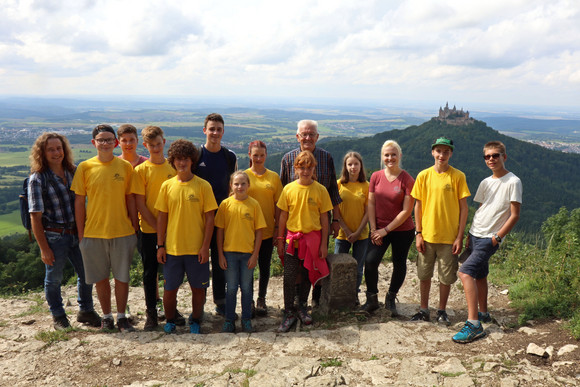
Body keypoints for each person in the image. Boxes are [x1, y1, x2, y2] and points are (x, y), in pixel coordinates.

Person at [28, 133, 101, 330]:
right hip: (54, 235)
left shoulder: (73, 171)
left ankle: (86, 310)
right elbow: (35, 216)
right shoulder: (37, 179)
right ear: (42, 153)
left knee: (87, 273)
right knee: (54, 279)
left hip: (76, 232)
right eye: (50, 149)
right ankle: (58, 316)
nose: (56, 153)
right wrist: (44, 248)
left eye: (59, 148)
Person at [71, 124, 139, 332]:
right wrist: (82, 234)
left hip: (122, 231)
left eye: (109, 139)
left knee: (122, 278)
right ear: (94, 143)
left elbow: (130, 200)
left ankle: (121, 317)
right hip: (93, 233)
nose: (105, 143)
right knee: (100, 278)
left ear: (115, 143)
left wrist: (135, 229)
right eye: (101, 140)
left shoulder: (125, 167)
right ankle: (107, 317)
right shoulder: (85, 167)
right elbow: (79, 203)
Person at [453, 141, 521, 343]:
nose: (491, 159)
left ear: (504, 157)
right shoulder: (485, 182)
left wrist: (498, 237)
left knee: (465, 272)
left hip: (490, 237)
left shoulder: (513, 181)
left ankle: (474, 324)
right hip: (475, 233)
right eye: (487, 156)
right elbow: (482, 208)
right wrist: (469, 233)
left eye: (495, 155)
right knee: (480, 275)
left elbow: (515, 215)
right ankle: (483, 313)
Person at [155, 140, 217, 334]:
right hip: (172, 249)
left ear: (192, 161)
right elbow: (161, 218)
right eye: (178, 159)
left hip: (196, 249)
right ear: (173, 161)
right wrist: (160, 245)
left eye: (186, 159)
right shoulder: (166, 186)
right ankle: (171, 320)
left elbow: (210, 220)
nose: (182, 163)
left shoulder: (203, 186)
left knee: (198, 289)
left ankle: (196, 319)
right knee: (169, 290)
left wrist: (205, 247)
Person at [280, 119, 342, 306]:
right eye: (304, 134)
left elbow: (333, 190)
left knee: (316, 261)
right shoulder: (287, 159)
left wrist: (336, 219)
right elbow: (283, 194)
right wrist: (279, 232)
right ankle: (297, 302)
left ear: (317, 137)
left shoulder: (326, 157)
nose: (307, 137)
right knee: (295, 269)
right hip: (294, 226)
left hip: (317, 226)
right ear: (297, 136)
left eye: (311, 134)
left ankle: (314, 299)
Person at [410, 137, 470, 325]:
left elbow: (464, 209)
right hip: (426, 235)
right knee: (424, 275)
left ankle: (441, 310)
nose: (442, 155)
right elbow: (417, 206)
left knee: (446, 277)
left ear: (451, 153)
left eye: (446, 152)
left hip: (448, 237)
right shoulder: (423, 176)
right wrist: (418, 233)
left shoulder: (458, 176)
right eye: (439, 151)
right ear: (432, 152)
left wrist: (459, 237)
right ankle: (423, 309)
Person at [276, 151, 333, 332]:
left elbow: (325, 219)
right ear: (296, 168)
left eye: (309, 167)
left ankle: (301, 307)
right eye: (302, 167)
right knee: (289, 277)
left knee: (308, 274)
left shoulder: (320, 190)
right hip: (292, 240)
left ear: (314, 168)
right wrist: (279, 240)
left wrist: (324, 244)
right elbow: (283, 217)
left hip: (313, 240)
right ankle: (288, 311)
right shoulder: (288, 189)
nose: (306, 171)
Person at [131, 126, 176, 331]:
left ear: (164, 143)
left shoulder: (173, 168)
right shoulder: (141, 171)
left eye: (159, 144)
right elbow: (140, 204)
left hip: (173, 230)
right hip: (149, 231)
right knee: (150, 273)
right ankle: (151, 313)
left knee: (172, 273)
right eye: (152, 145)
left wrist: (167, 229)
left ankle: (171, 311)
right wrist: (158, 229)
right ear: (145, 146)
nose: (156, 148)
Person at [363, 141, 415, 316]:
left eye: (393, 154)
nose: (390, 158)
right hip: (378, 228)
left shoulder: (407, 179)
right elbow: (371, 202)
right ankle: (372, 300)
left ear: (400, 156)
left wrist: (386, 230)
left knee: (399, 263)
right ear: (382, 157)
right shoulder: (376, 176)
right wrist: (374, 229)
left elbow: (407, 211)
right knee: (370, 262)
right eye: (386, 155)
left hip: (402, 230)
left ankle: (391, 297)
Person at [195, 113, 237, 317]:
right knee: (200, 261)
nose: (215, 133)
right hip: (199, 218)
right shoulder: (196, 156)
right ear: (205, 130)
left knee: (222, 261)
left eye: (219, 129)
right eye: (211, 129)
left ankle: (220, 302)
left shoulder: (229, 157)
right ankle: (199, 303)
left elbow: (233, 188)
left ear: (223, 132)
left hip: (222, 219)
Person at [216, 171, 266, 333]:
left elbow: (259, 231)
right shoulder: (225, 205)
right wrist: (220, 254)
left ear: (248, 185)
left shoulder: (254, 205)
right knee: (230, 288)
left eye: (243, 183)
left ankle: (246, 320)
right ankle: (229, 320)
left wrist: (255, 254)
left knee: (246, 288)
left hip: (248, 255)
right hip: (229, 254)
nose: (240, 187)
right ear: (231, 185)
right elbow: (220, 231)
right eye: (236, 184)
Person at [245, 141, 283, 315]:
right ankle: (249, 300)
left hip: (267, 230)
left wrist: (277, 229)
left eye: (261, 155)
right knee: (248, 268)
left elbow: (279, 205)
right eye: (255, 155)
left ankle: (261, 298)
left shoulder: (273, 177)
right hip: (247, 231)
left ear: (266, 155)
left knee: (265, 266)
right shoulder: (243, 176)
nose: (258, 158)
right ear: (249, 155)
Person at [334, 152, 369, 303]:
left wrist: (358, 231)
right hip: (342, 234)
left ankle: (354, 296)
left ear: (361, 166)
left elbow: (368, 212)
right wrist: (348, 231)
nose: (353, 167)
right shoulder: (339, 185)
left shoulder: (367, 186)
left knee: (358, 268)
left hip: (362, 234)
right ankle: (336, 295)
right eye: (350, 164)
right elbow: (335, 211)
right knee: (337, 266)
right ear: (345, 167)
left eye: (356, 164)